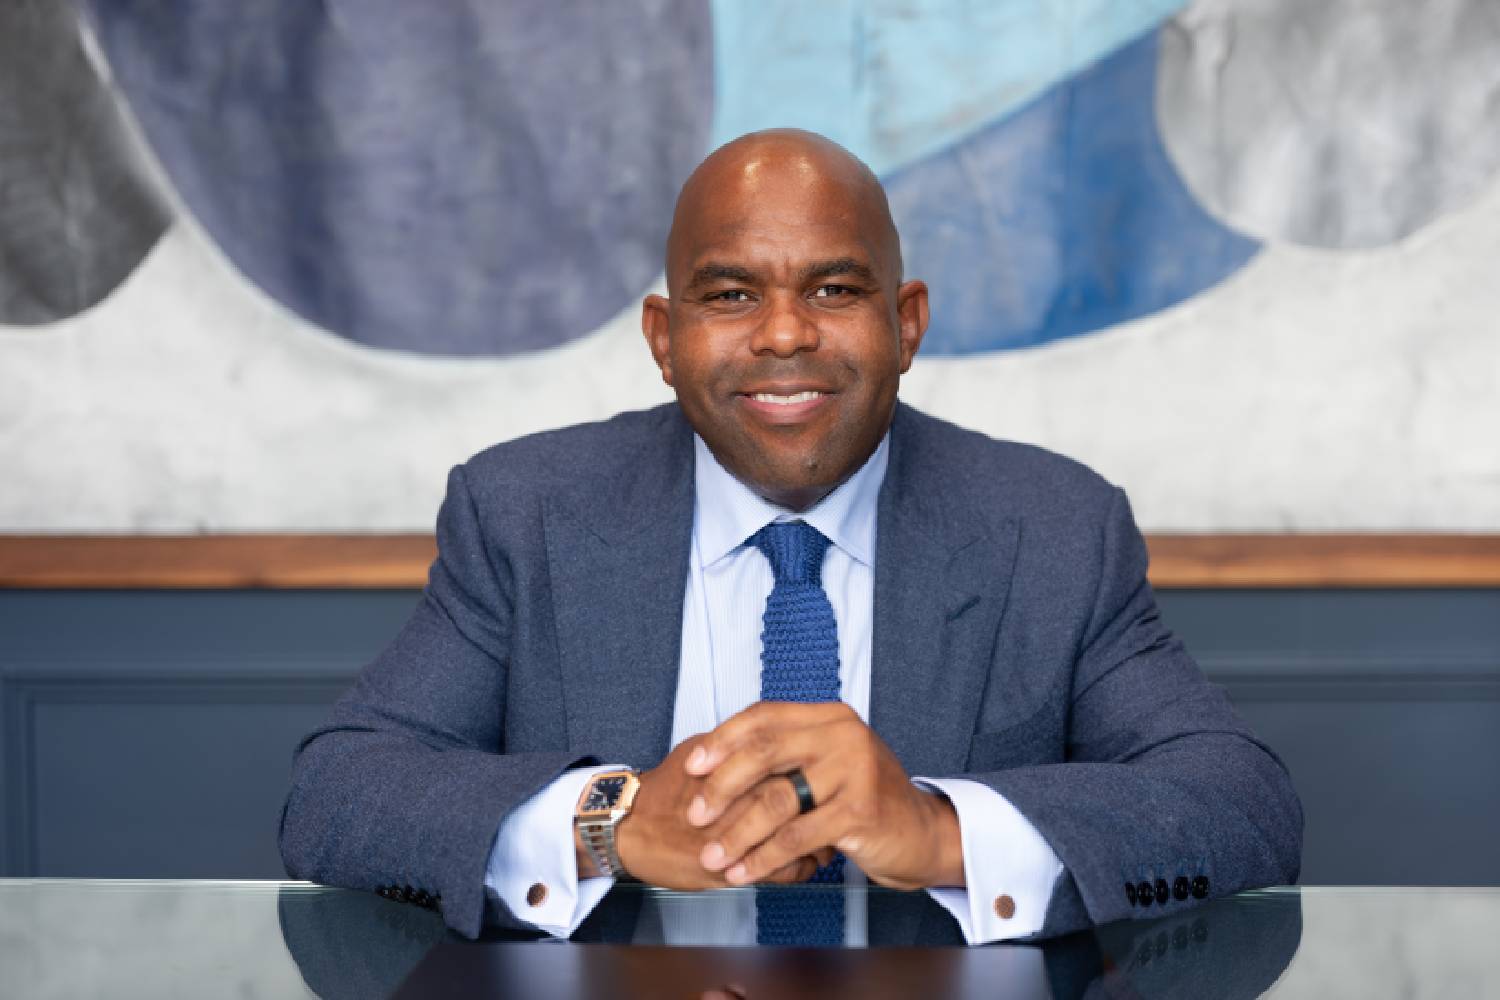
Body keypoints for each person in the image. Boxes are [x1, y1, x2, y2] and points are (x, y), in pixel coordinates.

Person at [278, 129, 1302, 945]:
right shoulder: (523, 511)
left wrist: (940, 830)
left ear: (906, 324)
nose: (782, 334)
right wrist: (611, 824)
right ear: (664, 339)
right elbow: (338, 794)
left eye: (834, 289)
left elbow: (1241, 805)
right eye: (730, 295)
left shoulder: (1054, 527)